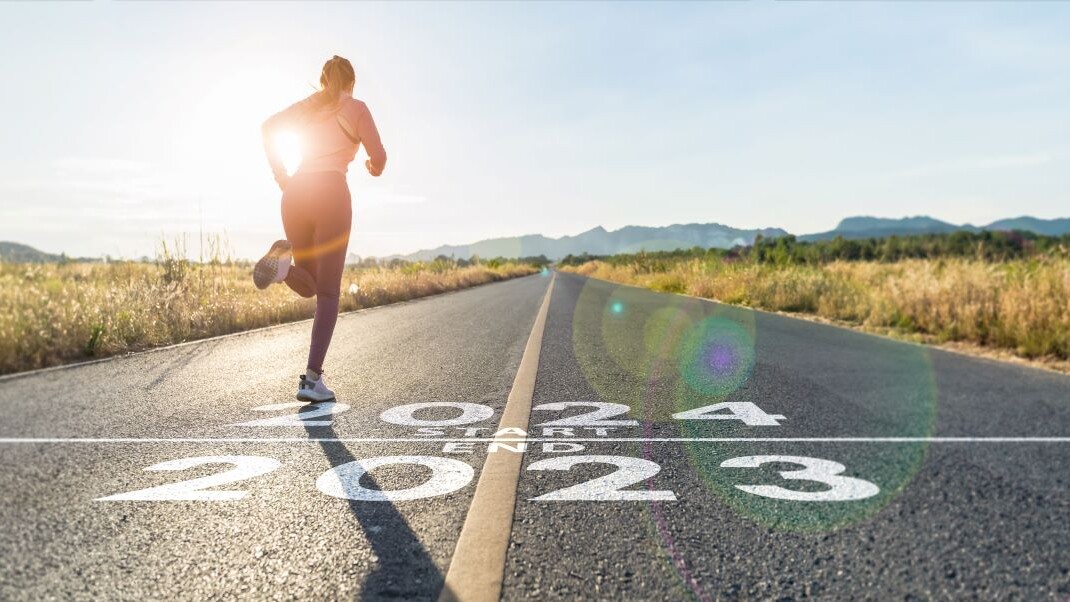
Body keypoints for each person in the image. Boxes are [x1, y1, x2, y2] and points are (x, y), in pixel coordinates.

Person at [254, 55, 386, 402]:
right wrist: (373, 166)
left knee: (309, 284)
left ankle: (283, 270)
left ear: (323, 80)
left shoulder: (309, 105)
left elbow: (267, 128)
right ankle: (312, 380)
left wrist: (283, 177)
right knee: (327, 293)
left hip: (295, 192)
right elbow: (380, 157)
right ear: (351, 83)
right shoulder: (357, 108)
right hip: (331, 193)